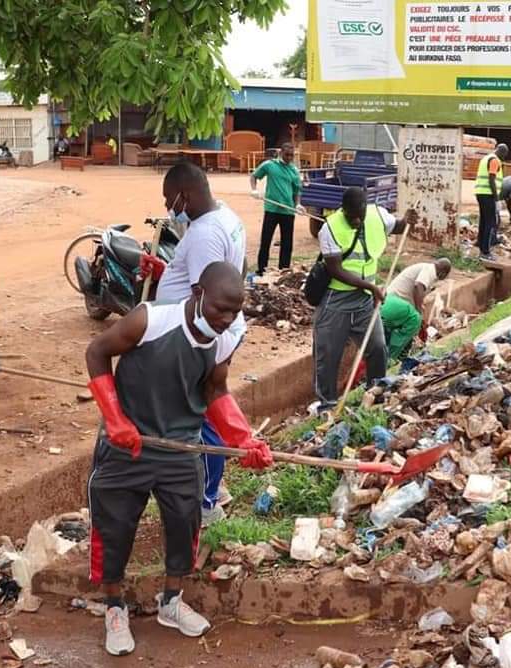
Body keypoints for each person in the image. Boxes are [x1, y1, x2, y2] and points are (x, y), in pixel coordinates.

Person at [85, 262, 272, 656]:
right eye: (221, 308)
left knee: (185, 525)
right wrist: (115, 420)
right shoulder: (149, 320)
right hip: (128, 445)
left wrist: (244, 439)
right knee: (114, 527)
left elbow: (215, 389)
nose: (226, 319)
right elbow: (97, 352)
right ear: (197, 292)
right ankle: (115, 607)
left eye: (234, 312)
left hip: (181, 448)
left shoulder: (223, 339)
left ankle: (170, 601)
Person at [139, 163, 248, 526]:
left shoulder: (203, 235)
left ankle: (206, 503)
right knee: (205, 411)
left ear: (186, 195)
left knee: (197, 417)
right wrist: (164, 273)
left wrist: (195, 350)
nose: (170, 207)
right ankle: (215, 487)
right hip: (220, 334)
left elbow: (208, 300)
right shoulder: (226, 217)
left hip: (202, 338)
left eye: (171, 199)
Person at [310, 188, 417, 410]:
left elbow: (397, 226)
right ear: (343, 210)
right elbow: (335, 269)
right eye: (351, 217)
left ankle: (375, 393)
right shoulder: (329, 228)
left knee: (378, 348)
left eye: (360, 215)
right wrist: (370, 285)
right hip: (336, 300)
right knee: (328, 356)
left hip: (365, 301)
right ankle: (327, 406)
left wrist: (407, 220)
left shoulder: (377, 215)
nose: (356, 220)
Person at [381, 259, 451, 361]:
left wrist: (420, 306)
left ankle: (389, 355)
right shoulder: (430, 269)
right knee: (415, 321)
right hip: (395, 301)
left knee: (392, 330)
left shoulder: (425, 268)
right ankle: (391, 358)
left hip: (389, 302)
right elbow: (418, 285)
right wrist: (418, 312)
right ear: (443, 272)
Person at [250, 142, 304, 274]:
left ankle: (283, 270)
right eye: (287, 155)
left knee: (287, 243)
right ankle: (261, 269)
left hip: (288, 211)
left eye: (292, 155)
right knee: (266, 240)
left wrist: (297, 204)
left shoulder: (294, 171)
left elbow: (297, 191)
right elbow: (254, 176)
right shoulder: (270, 165)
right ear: (281, 153)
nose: (289, 157)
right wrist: (254, 190)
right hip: (272, 209)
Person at [475, 143, 508, 259]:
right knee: (491, 222)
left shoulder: (485, 158)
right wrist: (496, 198)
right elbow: (491, 179)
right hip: (488, 194)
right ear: (501, 152)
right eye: (504, 155)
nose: (504, 157)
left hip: (480, 193)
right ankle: (485, 252)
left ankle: (480, 243)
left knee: (484, 220)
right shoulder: (494, 160)